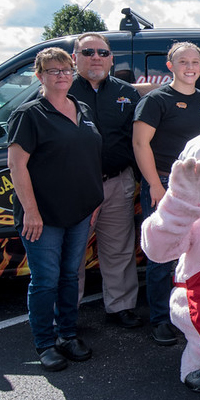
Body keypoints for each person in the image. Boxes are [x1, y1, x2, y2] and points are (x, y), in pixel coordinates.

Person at [8, 47, 103, 371]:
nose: (61, 75)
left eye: (66, 69)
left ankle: (66, 334)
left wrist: (94, 203)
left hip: (79, 212)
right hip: (43, 216)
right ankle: (45, 343)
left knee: (68, 277)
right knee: (45, 280)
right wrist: (31, 212)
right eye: (53, 70)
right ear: (40, 76)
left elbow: (89, 158)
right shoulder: (29, 115)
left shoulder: (82, 107)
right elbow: (17, 167)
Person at [133, 41, 200, 346]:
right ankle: (160, 319)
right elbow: (141, 145)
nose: (190, 67)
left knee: (194, 251)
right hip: (165, 185)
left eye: (195, 62)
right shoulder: (156, 101)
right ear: (170, 66)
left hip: (197, 187)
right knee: (161, 254)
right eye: (183, 62)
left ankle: (191, 314)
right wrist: (155, 185)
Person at [67, 33, 144, 329]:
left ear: (111, 58)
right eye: (88, 51)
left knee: (119, 248)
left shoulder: (126, 93)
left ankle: (120, 306)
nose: (96, 57)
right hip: (73, 187)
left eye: (102, 52)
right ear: (76, 57)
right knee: (72, 251)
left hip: (117, 182)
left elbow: (137, 140)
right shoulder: (63, 90)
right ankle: (67, 313)